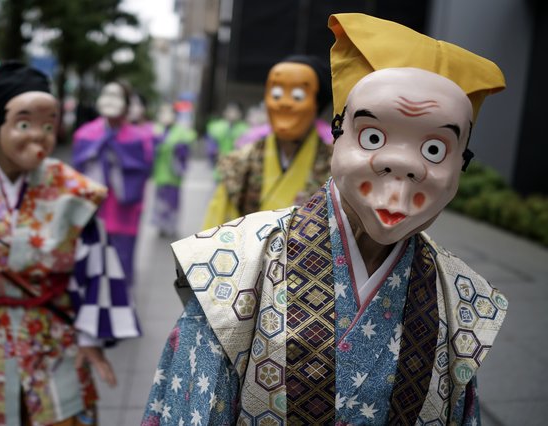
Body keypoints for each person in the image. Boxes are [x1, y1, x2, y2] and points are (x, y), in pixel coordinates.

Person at [142, 13, 508, 425]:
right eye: (373, 136)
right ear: (338, 133)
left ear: (463, 163)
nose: (403, 165)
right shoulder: (232, 268)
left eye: (435, 150)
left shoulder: (462, 299)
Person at [0, 62, 140, 425]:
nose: (40, 136)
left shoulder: (74, 193)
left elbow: (96, 269)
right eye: (23, 124)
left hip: (56, 344)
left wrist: (91, 339)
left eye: (48, 126)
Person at [202, 55, 334, 229]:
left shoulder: (335, 167)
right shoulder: (239, 162)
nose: (284, 103)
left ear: (317, 103)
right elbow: (215, 227)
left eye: (297, 95)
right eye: (277, 94)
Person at [73, 81, 154, 287]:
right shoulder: (85, 133)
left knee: (121, 262)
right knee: (91, 261)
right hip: (93, 211)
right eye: (106, 94)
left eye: (116, 96)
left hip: (124, 212)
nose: (110, 100)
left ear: (127, 104)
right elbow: (77, 173)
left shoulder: (140, 137)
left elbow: (144, 170)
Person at [151, 103, 198, 238]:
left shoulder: (182, 131)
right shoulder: (157, 129)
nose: (165, 116)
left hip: (173, 173)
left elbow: (188, 143)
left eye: (168, 113)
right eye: (163, 113)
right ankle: (161, 225)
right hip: (160, 172)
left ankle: (171, 225)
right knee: (160, 200)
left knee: (173, 200)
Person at [204, 102, 249, 169]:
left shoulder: (245, 128)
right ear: (225, 112)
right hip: (219, 163)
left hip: (238, 165)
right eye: (230, 111)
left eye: (235, 112)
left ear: (240, 114)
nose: (232, 114)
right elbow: (211, 147)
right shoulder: (215, 127)